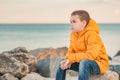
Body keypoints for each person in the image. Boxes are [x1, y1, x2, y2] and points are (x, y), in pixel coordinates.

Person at [55, 10, 109, 80]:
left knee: (84, 63)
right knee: (61, 62)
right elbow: (70, 51)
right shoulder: (73, 35)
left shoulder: (92, 34)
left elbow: (91, 55)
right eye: (70, 22)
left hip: (98, 64)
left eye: (74, 22)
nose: (71, 24)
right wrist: (67, 60)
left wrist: (72, 58)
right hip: (82, 63)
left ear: (83, 23)